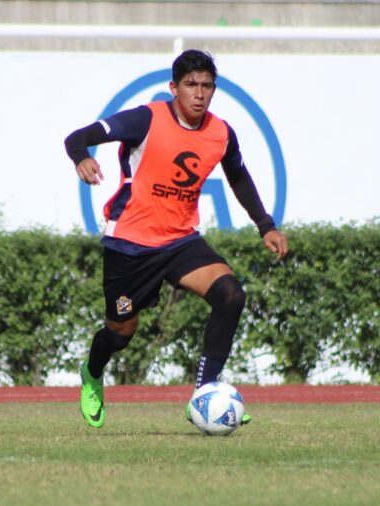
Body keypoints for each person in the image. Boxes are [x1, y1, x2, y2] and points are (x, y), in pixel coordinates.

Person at [64, 49, 289, 429]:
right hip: (130, 245)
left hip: (180, 242)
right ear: (174, 87)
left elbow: (237, 176)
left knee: (231, 294)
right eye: (190, 85)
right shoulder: (145, 119)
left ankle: (203, 396)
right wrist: (81, 157)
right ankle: (92, 373)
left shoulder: (221, 132)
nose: (199, 93)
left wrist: (265, 225)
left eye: (206, 86)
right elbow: (77, 137)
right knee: (120, 333)